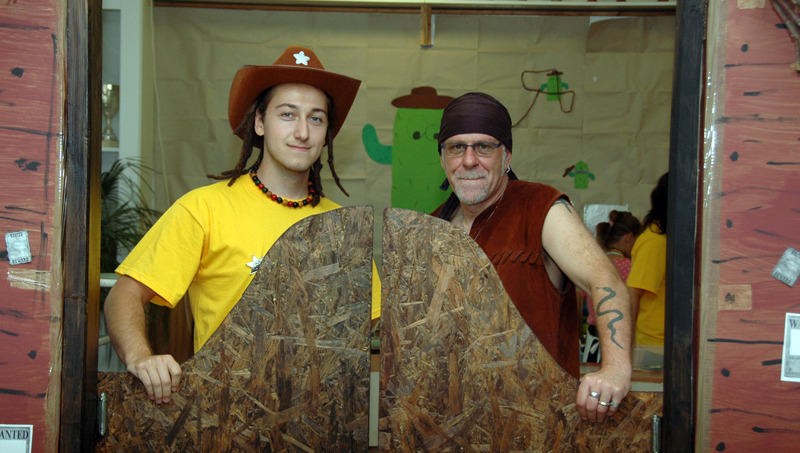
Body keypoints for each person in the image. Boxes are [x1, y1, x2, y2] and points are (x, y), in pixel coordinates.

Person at [104, 46, 380, 405]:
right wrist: (141, 357)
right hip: (225, 415)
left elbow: (376, 331)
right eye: (287, 114)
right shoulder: (204, 209)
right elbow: (123, 295)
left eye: (316, 119)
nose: (302, 132)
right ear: (260, 123)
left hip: (318, 419)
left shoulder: (345, 226)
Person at [432, 92, 633, 423]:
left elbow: (604, 280)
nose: (468, 160)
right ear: (443, 159)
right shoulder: (432, 227)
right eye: (456, 147)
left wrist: (615, 368)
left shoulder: (541, 208)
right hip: (451, 424)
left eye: (484, 147)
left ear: (506, 157)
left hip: (538, 425)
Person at [582, 210, 641, 362]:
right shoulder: (631, 268)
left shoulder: (593, 266)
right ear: (629, 237)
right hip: (617, 342)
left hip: (592, 341)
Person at [627, 172, 668, 347]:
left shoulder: (664, 238)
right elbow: (634, 293)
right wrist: (627, 344)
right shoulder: (655, 241)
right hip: (655, 342)